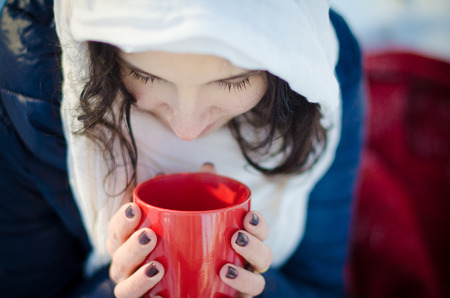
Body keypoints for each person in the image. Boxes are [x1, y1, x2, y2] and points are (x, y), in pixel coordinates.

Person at [0, 0, 363, 297]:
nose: (186, 129)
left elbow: (321, 286)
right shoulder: (32, 76)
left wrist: (259, 288)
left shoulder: (324, 74)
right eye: (145, 76)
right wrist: (113, 288)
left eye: (233, 82)